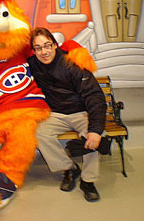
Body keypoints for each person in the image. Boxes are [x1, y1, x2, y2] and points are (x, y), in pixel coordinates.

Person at [27, 27, 107, 202]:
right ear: (33, 51)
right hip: (55, 114)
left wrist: (95, 129)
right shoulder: (33, 64)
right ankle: (69, 169)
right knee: (39, 133)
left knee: (91, 137)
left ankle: (88, 181)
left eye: (47, 45)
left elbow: (94, 96)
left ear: (55, 45)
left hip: (80, 112)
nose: (44, 51)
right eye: (38, 48)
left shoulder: (72, 64)